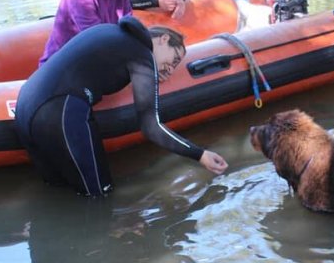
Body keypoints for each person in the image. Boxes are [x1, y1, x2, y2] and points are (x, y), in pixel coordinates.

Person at [16, 16, 228, 197]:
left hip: (24, 106)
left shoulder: (113, 33)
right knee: (99, 198)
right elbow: (150, 126)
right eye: (173, 61)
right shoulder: (142, 56)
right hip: (60, 112)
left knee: (57, 191)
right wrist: (200, 154)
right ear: (163, 40)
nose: (170, 70)